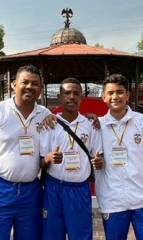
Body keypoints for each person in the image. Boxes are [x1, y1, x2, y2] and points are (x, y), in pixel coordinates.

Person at [0, 65, 53, 240]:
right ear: (14, 85)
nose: (30, 87)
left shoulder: (45, 114)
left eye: (35, 83)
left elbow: (70, 124)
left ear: (40, 89)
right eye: (25, 82)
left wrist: (93, 119)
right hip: (0, 191)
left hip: (31, 192)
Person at [95, 74, 143, 240]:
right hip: (112, 198)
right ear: (103, 97)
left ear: (127, 95)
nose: (115, 97)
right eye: (110, 93)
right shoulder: (97, 125)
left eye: (120, 92)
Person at [40, 77, 103, 240]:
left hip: (79, 189)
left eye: (76, 93)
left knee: (81, 235)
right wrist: (48, 158)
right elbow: (40, 163)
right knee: (52, 235)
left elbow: (98, 155)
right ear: (60, 97)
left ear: (82, 98)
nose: (71, 97)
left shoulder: (90, 124)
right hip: (54, 188)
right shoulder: (50, 123)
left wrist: (99, 161)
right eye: (67, 93)